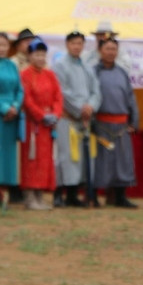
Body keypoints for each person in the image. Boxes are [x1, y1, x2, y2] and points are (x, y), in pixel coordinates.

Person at [52, 31, 102, 207]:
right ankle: (58, 194)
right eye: (73, 43)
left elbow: (96, 91)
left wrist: (91, 106)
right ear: (67, 45)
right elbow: (62, 92)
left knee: (80, 159)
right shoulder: (59, 66)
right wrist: (81, 108)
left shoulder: (87, 67)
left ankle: (73, 195)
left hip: (84, 120)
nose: (77, 46)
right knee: (64, 157)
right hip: (68, 118)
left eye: (80, 43)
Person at [94, 38, 138, 208]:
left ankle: (120, 197)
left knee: (123, 161)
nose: (111, 52)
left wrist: (134, 120)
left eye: (114, 49)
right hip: (101, 124)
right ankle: (95, 196)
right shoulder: (93, 72)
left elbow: (130, 98)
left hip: (121, 125)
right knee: (101, 162)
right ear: (100, 50)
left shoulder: (122, 73)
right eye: (107, 48)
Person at [19, 39, 62, 210]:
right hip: (33, 125)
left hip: (48, 125)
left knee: (45, 160)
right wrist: (41, 115)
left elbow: (58, 96)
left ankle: (40, 196)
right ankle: (30, 197)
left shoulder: (50, 74)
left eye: (43, 54)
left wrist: (55, 114)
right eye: (37, 54)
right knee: (31, 159)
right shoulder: (25, 75)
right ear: (30, 56)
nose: (40, 58)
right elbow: (27, 99)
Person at [0, 32, 24, 199]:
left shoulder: (12, 65)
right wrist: (4, 108)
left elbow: (19, 89)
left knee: (9, 154)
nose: (2, 48)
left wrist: (15, 106)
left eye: (5, 45)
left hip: (12, 116)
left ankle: (7, 190)